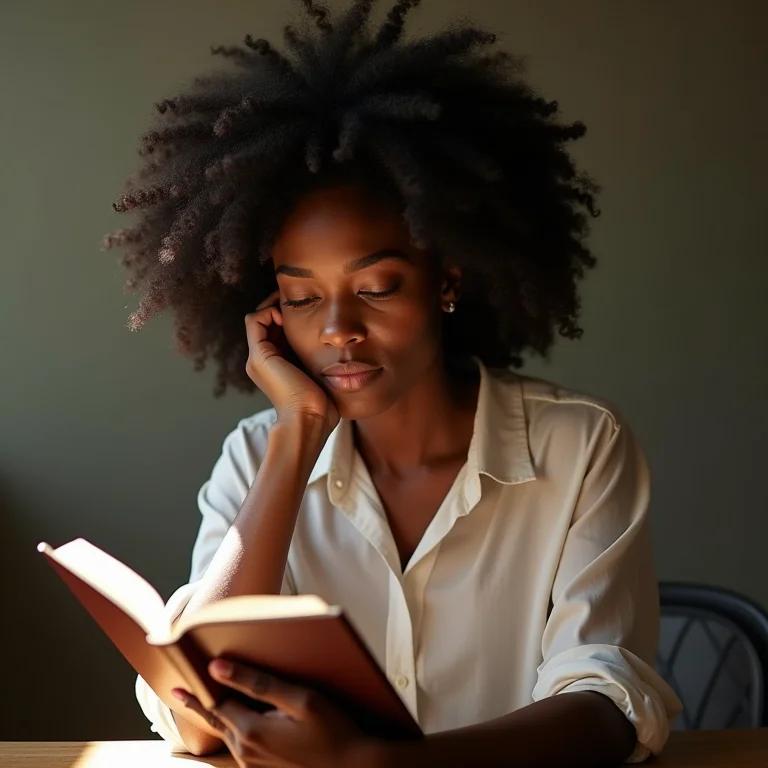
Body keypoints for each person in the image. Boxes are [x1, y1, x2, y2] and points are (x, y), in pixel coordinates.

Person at [103, 1, 682, 765]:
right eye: (302, 298)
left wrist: (374, 765)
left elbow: (607, 706)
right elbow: (194, 717)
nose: (337, 329)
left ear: (447, 278)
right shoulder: (256, 456)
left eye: (376, 287)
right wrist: (297, 437)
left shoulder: (577, 447)